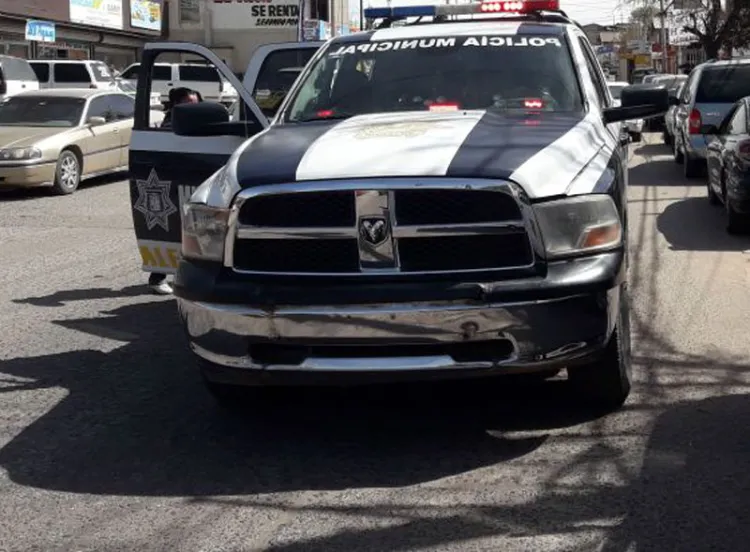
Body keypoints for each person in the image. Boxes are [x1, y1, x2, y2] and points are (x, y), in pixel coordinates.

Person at [148, 87, 200, 295]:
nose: (193, 109)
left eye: (197, 104)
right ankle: (157, 276)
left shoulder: (195, 123)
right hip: (174, 184)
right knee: (170, 230)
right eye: (188, 104)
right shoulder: (171, 125)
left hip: (193, 182)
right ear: (177, 105)